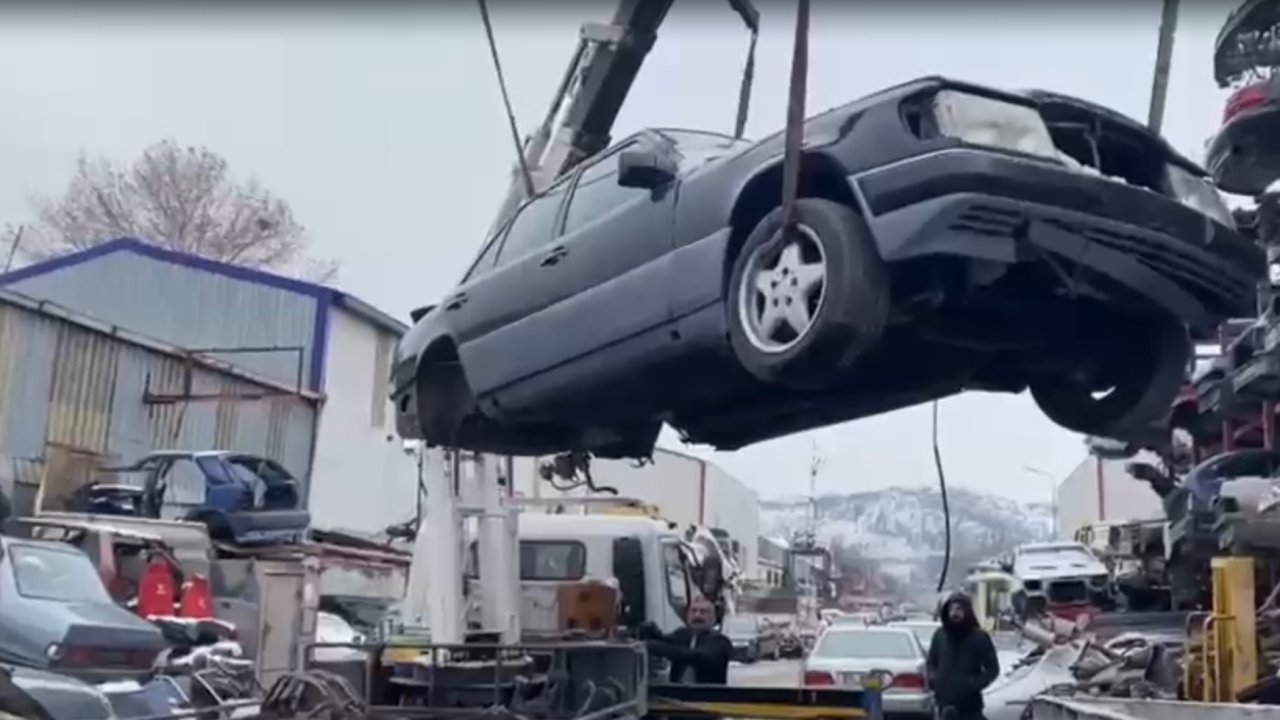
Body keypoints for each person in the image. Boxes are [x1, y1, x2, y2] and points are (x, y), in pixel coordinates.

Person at [927, 592, 1000, 720]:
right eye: (952, 609)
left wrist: (973, 684)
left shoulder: (979, 637)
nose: (955, 613)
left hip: (969, 707)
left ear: (967, 611)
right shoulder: (940, 635)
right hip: (944, 704)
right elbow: (931, 662)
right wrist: (934, 679)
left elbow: (993, 669)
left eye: (959, 609)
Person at [639, 594, 732, 684]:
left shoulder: (721, 642)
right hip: (676, 696)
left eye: (703, 612)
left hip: (706, 697)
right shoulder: (683, 634)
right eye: (693, 611)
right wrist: (650, 632)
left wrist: (657, 648)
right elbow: (666, 639)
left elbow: (695, 656)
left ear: (713, 618)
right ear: (687, 616)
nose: (697, 616)